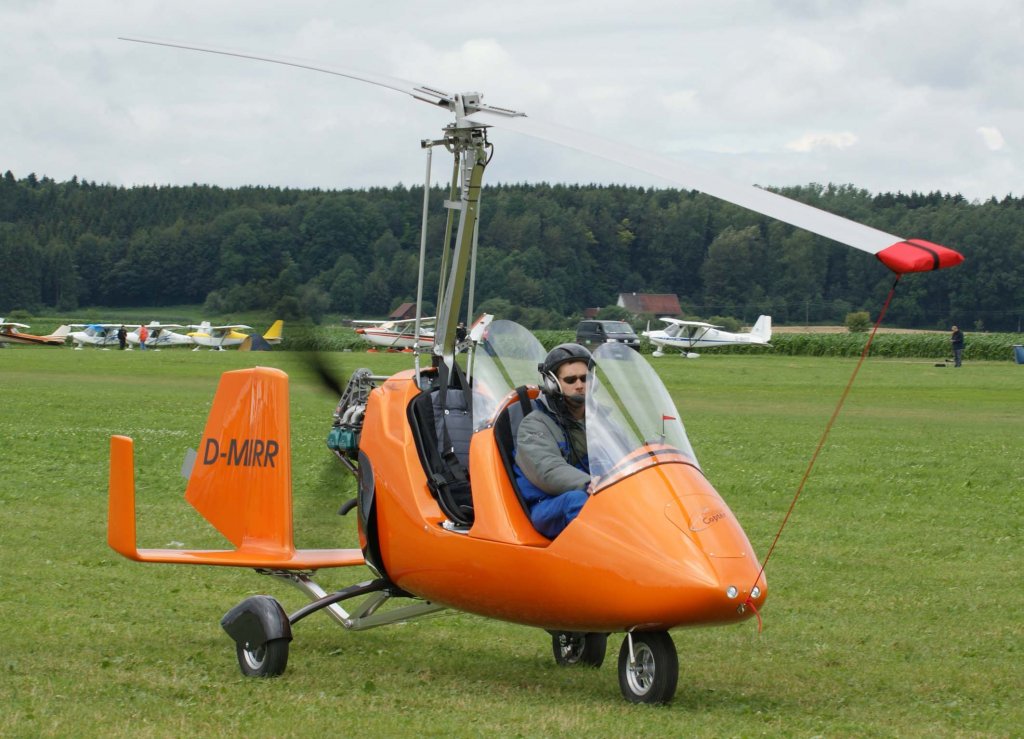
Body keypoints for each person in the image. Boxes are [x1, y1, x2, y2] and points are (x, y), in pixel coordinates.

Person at [514, 343, 593, 538]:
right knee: (579, 501)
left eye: (584, 378)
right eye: (571, 379)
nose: (580, 385)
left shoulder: (600, 421)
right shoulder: (535, 424)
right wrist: (589, 483)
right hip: (548, 504)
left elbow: (624, 454)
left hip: (595, 493)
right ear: (553, 384)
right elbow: (548, 469)